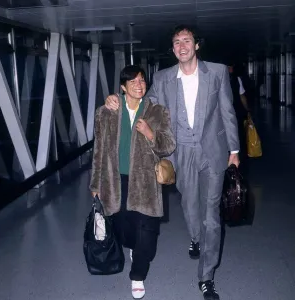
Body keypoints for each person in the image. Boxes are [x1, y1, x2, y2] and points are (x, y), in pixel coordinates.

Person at [105, 25, 240, 300]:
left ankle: (206, 277)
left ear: (196, 45)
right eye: (176, 42)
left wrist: (234, 151)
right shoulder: (164, 77)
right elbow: (145, 101)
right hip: (180, 152)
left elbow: (227, 110)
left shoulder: (216, 72)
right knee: (190, 205)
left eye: (186, 40)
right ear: (173, 48)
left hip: (213, 151)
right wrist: (117, 99)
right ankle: (195, 236)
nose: (181, 46)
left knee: (211, 216)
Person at [89, 65, 176, 299]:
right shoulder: (106, 112)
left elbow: (169, 145)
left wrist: (150, 134)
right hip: (116, 183)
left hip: (146, 184)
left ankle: (138, 275)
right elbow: (98, 152)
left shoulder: (156, 112)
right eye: (133, 82)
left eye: (142, 80)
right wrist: (95, 185)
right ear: (123, 88)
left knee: (148, 233)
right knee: (124, 231)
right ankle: (133, 249)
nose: (139, 85)